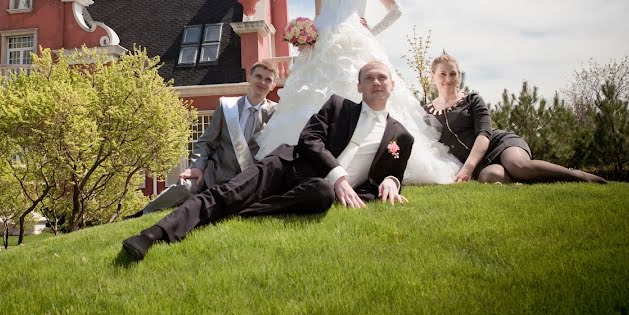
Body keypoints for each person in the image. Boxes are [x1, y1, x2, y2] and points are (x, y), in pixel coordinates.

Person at [122, 61, 413, 261]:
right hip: (286, 166)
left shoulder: (401, 137)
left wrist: (391, 180)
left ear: (393, 84)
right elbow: (309, 140)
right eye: (369, 78)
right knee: (226, 192)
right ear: (359, 86)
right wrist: (337, 174)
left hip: (314, 188)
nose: (376, 82)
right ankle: (151, 234)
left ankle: (241, 211)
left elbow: (388, 176)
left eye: (382, 77)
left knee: (321, 194)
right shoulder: (338, 105)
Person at [254, 0, 459, 183]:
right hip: (323, 45)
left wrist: (371, 31)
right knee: (314, 97)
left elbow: (396, 10)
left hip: (357, 40)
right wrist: (306, 37)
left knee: (363, 90)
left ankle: (368, 156)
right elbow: (319, 15)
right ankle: (310, 160)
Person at [426, 53, 606, 184]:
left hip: (499, 145)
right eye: (442, 74)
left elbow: (484, 134)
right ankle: (523, 180)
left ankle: (577, 176)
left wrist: (467, 167)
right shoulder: (427, 112)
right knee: (490, 177)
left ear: (458, 76)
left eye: (453, 74)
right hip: (480, 165)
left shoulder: (472, 99)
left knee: (518, 165)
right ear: (433, 77)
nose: (448, 79)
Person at [129, 61, 278, 217]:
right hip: (213, 175)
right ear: (249, 77)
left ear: (273, 85)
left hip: (246, 183)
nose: (262, 82)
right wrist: (197, 167)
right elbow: (206, 141)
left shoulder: (277, 113)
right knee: (185, 187)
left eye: (268, 79)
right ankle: (141, 215)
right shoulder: (227, 106)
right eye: (258, 76)